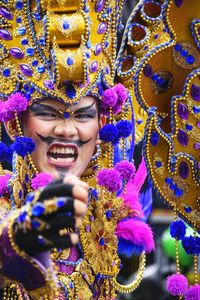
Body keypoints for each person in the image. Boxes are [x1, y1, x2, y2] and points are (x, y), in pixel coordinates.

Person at [0, 0, 155, 299]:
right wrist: (17, 240)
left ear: (102, 125)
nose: (67, 131)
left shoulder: (107, 217)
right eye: (48, 113)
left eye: (83, 115)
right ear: (14, 123)